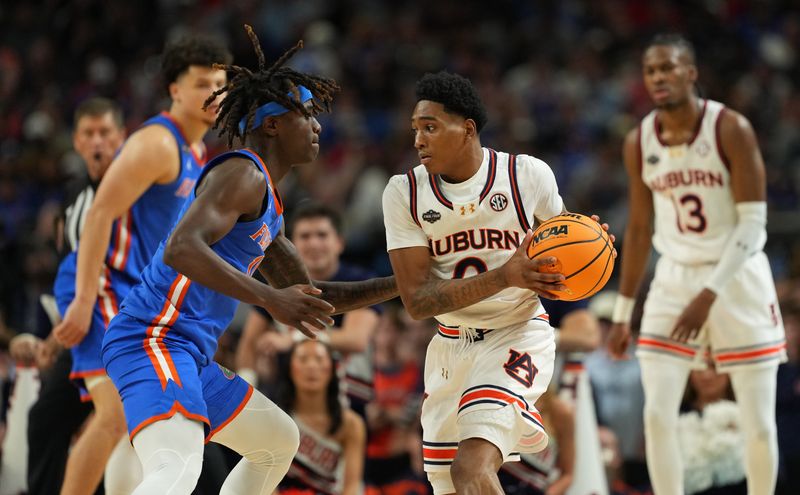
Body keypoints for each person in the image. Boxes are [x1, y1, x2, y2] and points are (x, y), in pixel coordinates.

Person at [101, 25, 396, 494]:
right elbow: (181, 248)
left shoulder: (269, 208)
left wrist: (401, 282)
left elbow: (313, 298)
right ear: (274, 123)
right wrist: (269, 298)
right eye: (308, 115)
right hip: (153, 336)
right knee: (177, 468)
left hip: (190, 354)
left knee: (277, 441)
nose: (319, 126)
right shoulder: (242, 173)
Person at [382, 70, 613, 495]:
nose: (418, 140)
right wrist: (504, 275)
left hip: (518, 333)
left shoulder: (528, 176)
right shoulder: (404, 193)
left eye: (430, 127)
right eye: (415, 128)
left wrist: (592, 246)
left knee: (470, 469)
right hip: (449, 346)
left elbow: (565, 251)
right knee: (448, 483)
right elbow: (416, 302)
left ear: (467, 129)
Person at [48, 34, 232, 495]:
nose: (215, 94)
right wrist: (84, 298)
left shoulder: (197, 154)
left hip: (136, 290)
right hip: (103, 281)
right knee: (113, 416)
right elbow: (99, 214)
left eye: (221, 84)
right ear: (174, 89)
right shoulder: (157, 142)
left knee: (137, 420)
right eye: (202, 83)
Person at [608, 33, 786, 495]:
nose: (659, 77)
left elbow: (754, 225)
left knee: (759, 423)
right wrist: (625, 312)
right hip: (674, 277)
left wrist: (709, 295)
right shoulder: (639, 140)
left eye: (668, 68)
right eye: (651, 70)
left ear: (691, 72)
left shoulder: (730, 128)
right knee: (657, 415)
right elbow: (640, 230)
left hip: (735, 275)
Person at [7, 97, 125, 495]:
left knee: (113, 425)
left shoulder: (139, 191)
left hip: (128, 330)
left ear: (121, 137)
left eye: (105, 133)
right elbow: (71, 284)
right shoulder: (73, 203)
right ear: (75, 142)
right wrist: (51, 340)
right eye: (89, 134)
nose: (97, 142)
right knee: (45, 417)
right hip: (84, 334)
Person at [236, 202, 381, 416]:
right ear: (291, 246)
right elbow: (249, 343)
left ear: (340, 243)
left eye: (322, 235)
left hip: (349, 404)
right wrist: (246, 389)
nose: (313, 243)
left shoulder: (361, 281)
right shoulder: (276, 284)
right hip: (288, 402)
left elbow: (355, 339)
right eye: (305, 236)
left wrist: (292, 339)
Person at [274, 340, 366, 495]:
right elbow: (264, 481)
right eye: (303, 359)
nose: (311, 366)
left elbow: (352, 486)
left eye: (319, 359)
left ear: (331, 369)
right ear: (290, 368)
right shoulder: (274, 418)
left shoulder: (351, 424)